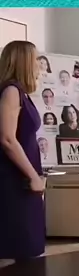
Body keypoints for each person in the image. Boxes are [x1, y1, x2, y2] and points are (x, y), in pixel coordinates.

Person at [0, 41, 46, 262]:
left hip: (24, 179)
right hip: (14, 180)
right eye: (35, 59)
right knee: (21, 245)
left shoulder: (22, 93)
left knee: (30, 246)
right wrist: (33, 175)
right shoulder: (11, 91)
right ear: (24, 61)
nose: (39, 64)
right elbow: (7, 139)